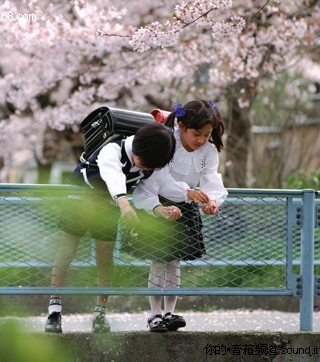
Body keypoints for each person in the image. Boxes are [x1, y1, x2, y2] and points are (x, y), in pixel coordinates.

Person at [44, 121, 210, 334]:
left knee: (104, 257)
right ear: (137, 149)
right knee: (67, 250)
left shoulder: (152, 163)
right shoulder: (112, 149)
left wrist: (180, 196)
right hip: (82, 198)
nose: (145, 169)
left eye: (151, 167)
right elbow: (115, 177)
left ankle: (100, 312)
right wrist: (124, 204)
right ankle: (54, 309)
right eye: (143, 163)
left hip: (111, 205)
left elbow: (157, 186)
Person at [131, 99, 227, 332]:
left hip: (186, 204)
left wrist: (211, 200)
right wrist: (187, 193)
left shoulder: (208, 150)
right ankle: (154, 314)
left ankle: (169, 313)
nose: (202, 140)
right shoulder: (167, 141)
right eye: (197, 134)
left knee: (174, 261)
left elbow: (211, 180)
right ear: (182, 126)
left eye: (207, 134)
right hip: (158, 202)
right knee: (159, 259)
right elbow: (158, 181)